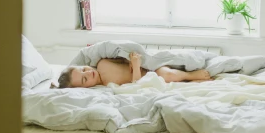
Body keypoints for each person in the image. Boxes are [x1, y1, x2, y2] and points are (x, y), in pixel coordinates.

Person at [56, 52, 211, 89]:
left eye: (84, 69)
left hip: (149, 66)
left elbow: (119, 56)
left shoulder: (102, 62)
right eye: (85, 79)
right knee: (167, 76)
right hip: (148, 76)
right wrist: (135, 67)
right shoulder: (109, 86)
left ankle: (189, 74)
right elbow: (135, 85)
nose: (88, 73)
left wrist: (130, 60)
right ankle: (191, 78)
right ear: (85, 88)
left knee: (168, 73)